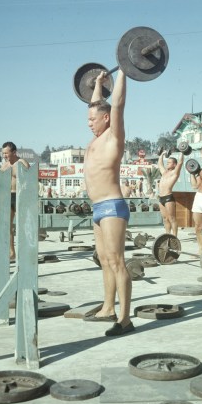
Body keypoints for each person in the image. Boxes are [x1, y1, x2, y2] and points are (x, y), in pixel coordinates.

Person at [83, 69, 134, 337]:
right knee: (104, 260)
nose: (89, 123)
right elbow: (96, 105)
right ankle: (107, 308)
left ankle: (125, 319)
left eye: (93, 119)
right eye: (87, 119)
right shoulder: (94, 140)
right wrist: (100, 83)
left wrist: (123, 70)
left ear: (106, 119)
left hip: (113, 206)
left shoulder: (114, 137)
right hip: (97, 209)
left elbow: (117, 104)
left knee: (117, 262)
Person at [0, 142, 30, 261]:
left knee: (23, 225)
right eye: (3, 153)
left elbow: (30, 181)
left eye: (6, 153)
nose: (4, 155)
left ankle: (26, 251)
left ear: (14, 152)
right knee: (8, 226)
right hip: (8, 197)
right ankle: (12, 252)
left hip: (20, 196)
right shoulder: (4, 166)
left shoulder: (22, 163)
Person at [157, 150, 184, 236]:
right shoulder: (164, 173)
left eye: (169, 162)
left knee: (172, 218)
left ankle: (174, 237)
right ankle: (167, 235)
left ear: (174, 164)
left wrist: (182, 152)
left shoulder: (175, 173)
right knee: (165, 219)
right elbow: (160, 164)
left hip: (168, 197)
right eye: (167, 162)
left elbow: (180, 163)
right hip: (161, 198)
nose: (167, 164)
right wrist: (162, 154)